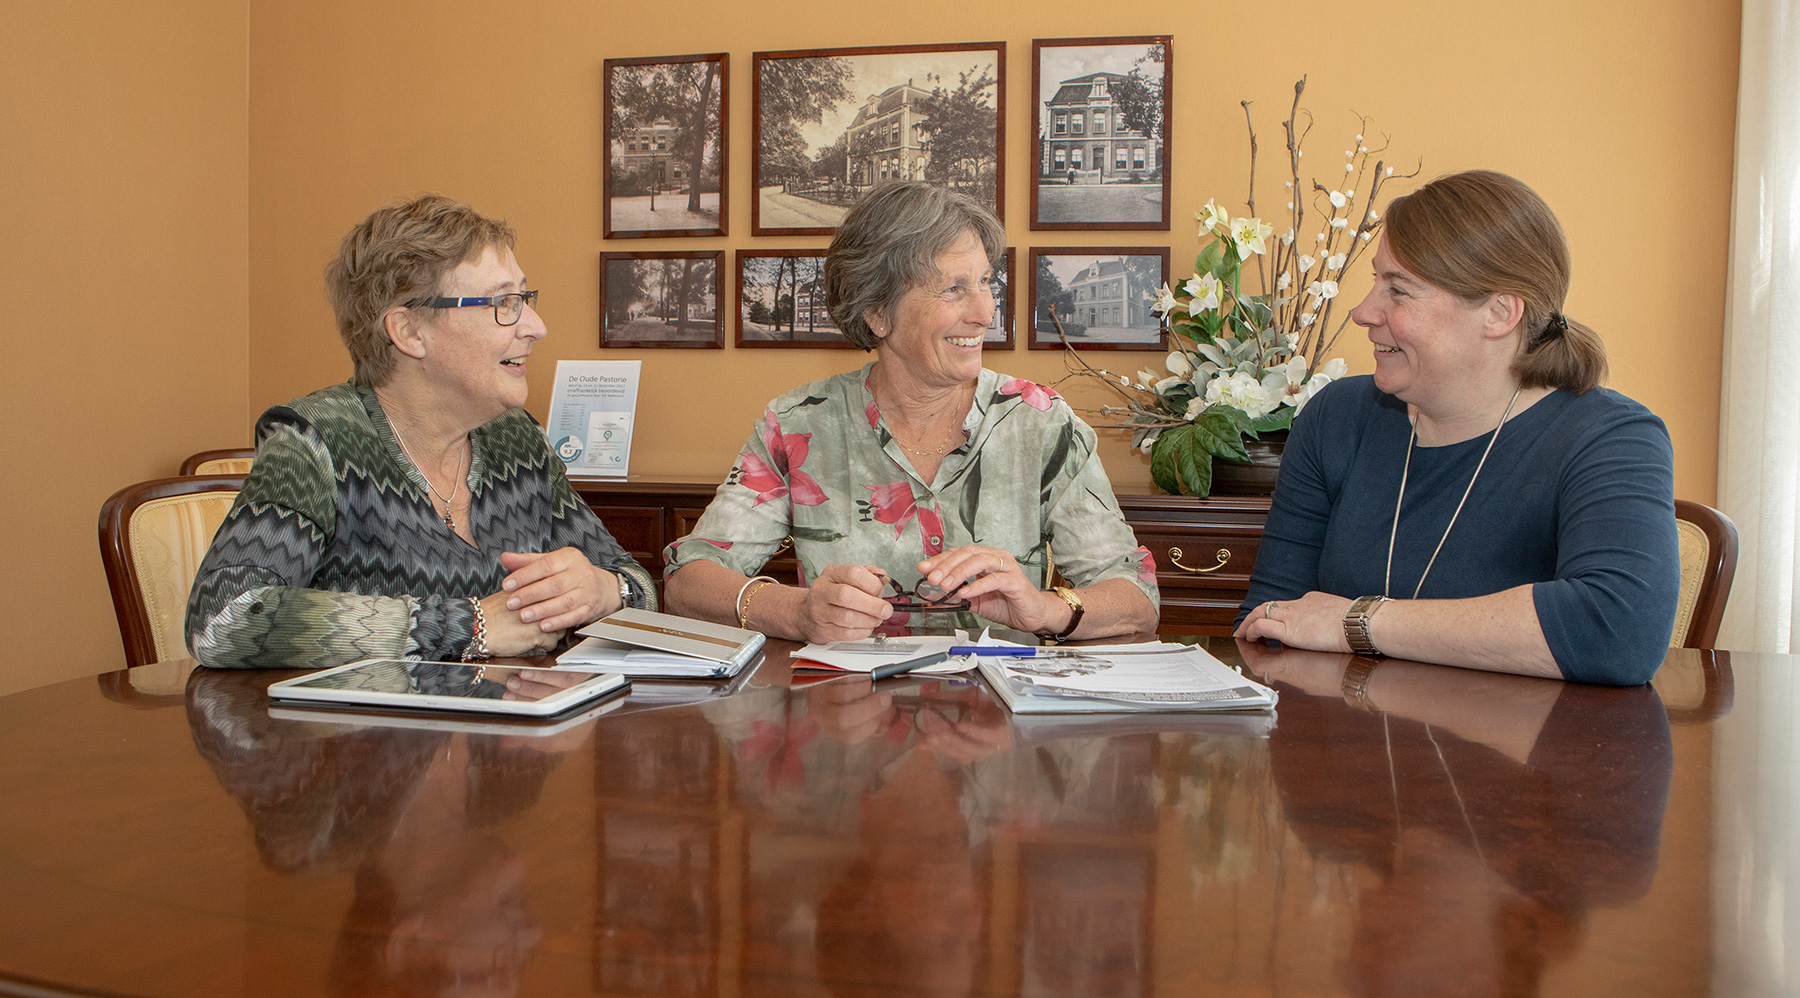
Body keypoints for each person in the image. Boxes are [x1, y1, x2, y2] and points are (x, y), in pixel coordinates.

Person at [663, 181, 1159, 643]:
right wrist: (795, 611)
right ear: (876, 313)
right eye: (953, 288)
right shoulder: (798, 423)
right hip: (846, 719)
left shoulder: (1041, 420)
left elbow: (1136, 597)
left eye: (986, 282)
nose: (985, 312)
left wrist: (1044, 608)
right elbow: (687, 581)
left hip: (1000, 725)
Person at [1234, 170, 1678, 684]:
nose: (1362, 312)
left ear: (1499, 313)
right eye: (1375, 281)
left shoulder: (1610, 438)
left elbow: (1618, 631)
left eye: (1398, 291)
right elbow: (1268, 625)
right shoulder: (1337, 418)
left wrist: (1355, 622)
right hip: (1347, 752)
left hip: (1533, 761)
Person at [187, 195, 656, 669]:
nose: (536, 326)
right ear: (409, 332)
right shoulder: (317, 442)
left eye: (525, 299)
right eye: (504, 303)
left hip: (506, 735)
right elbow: (223, 617)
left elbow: (638, 583)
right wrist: (470, 624)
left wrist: (606, 590)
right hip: (365, 739)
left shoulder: (517, 441)